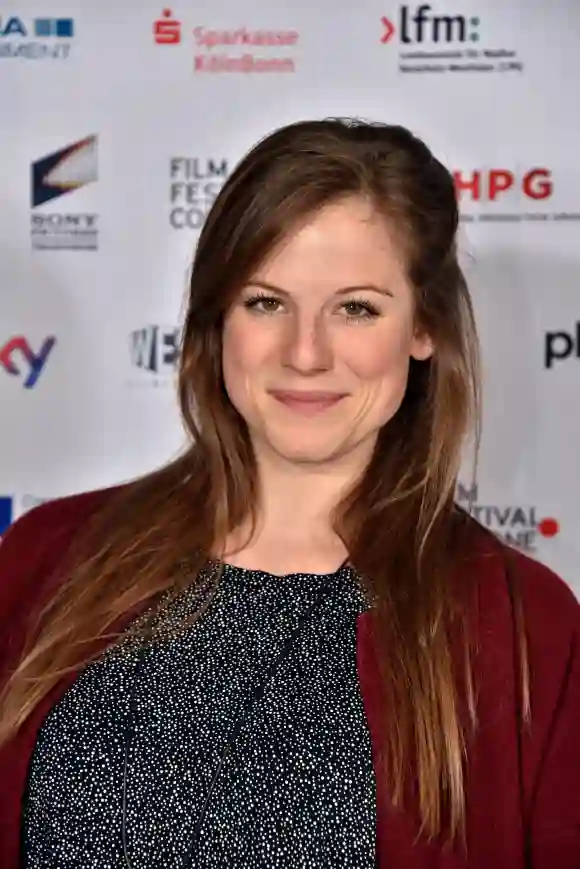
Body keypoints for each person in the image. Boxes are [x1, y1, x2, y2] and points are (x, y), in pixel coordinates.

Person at [0, 118, 579, 869]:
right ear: (218, 318)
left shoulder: (523, 626)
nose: (305, 353)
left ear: (423, 328)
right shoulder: (45, 557)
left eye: (356, 308)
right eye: (266, 302)